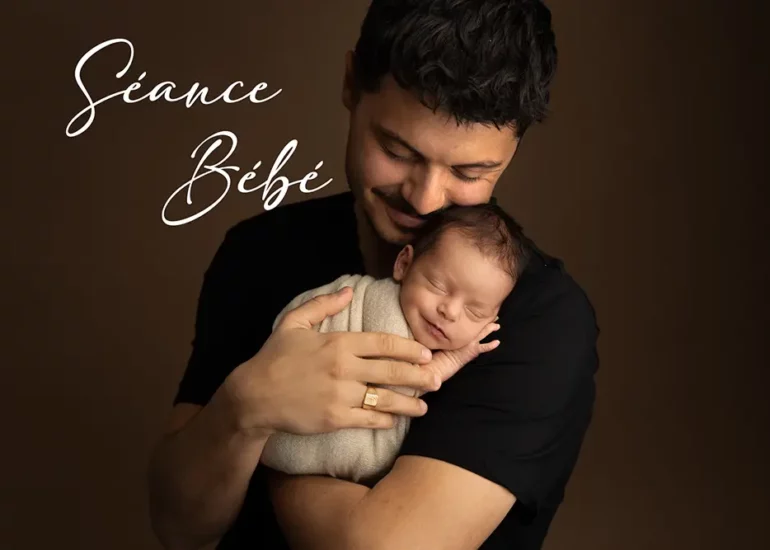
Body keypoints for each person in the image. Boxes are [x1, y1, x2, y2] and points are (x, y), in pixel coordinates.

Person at [147, 1, 600, 549]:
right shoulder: (259, 251)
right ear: (349, 85)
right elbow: (179, 527)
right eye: (397, 150)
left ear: (513, 148)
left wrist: (276, 448)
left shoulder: (538, 317)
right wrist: (245, 406)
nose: (426, 199)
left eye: (469, 172)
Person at [260, 204, 527, 485]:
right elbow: (404, 381)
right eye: (438, 286)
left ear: (491, 320)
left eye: (474, 312)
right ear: (404, 265)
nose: (450, 311)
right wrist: (454, 358)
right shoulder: (383, 306)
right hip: (293, 439)